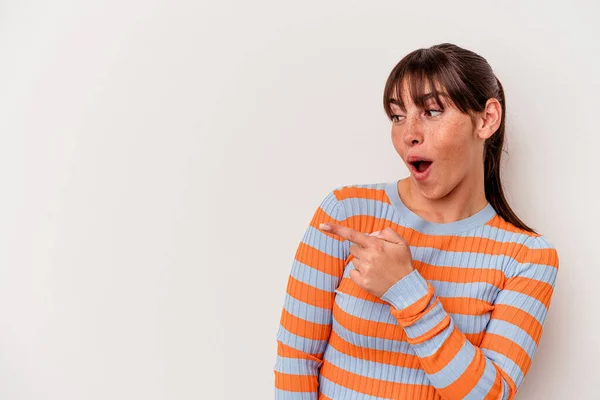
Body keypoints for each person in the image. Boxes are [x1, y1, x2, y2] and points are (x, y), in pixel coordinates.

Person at [273, 43, 559, 400]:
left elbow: (490, 395)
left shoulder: (528, 258)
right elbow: (297, 358)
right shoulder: (347, 212)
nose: (409, 133)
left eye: (432, 111)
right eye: (397, 116)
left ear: (486, 119)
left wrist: (406, 290)